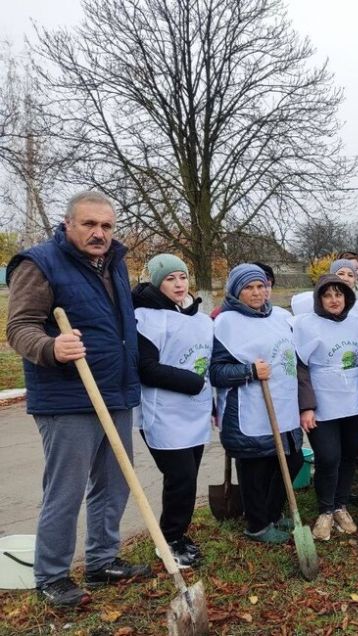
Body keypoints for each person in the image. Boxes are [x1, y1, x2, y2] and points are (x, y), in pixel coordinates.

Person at [5, 191, 151, 607]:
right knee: (65, 490)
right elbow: (19, 327)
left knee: (114, 483)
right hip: (67, 397)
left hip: (116, 391)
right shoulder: (39, 263)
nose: (99, 233)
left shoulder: (115, 264)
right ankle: (51, 575)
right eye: (89, 224)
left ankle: (103, 561)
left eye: (106, 226)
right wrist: (52, 348)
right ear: (68, 224)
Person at [210, 264, 304, 544]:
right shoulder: (225, 323)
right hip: (248, 409)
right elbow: (215, 372)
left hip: (283, 406)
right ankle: (257, 524)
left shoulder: (281, 317)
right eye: (249, 287)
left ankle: (272, 514)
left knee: (292, 458)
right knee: (256, 468)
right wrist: (248, 371)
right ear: (236, 292)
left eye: (260, 286)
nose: (257, 292)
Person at [131, 254, 212, 568]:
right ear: (156, 282)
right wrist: (192, 382)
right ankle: (168, 540)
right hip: (163, 412)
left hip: (195, 412)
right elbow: (147, 368)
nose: (179, 284)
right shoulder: (146, 318)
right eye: (170, 279)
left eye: (182, 277)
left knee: (188, 478)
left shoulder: (200, 318)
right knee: (180, 477)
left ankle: (178, 535)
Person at [293, 275, 358, 541]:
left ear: (347, 298)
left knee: (349, 456)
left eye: (339, 294)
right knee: (328, 457)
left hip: (355, 402)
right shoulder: (305, 326)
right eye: (328, 295)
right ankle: (325, 510)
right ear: (319, 299)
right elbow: (300, 368)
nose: (334, 300)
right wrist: (306, 407)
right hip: (323, 404)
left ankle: (340, 505)